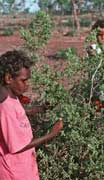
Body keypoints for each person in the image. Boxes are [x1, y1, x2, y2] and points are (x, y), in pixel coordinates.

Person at [0, 50, 63, 180]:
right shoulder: (5, 107)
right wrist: (52, 133)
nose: (27, 86)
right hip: (15, 171)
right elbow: (18, 147)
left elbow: (21, 111)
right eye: (23, 81)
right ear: (8, 78)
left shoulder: (9, 96)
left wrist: (42, 108)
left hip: (22, 166)